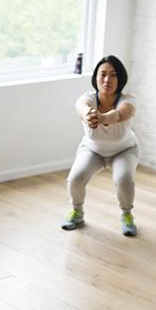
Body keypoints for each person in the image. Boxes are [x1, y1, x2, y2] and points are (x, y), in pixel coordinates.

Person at [60, 55, 140, 236]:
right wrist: (89, 114)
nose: (107, 80)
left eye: (113, 75)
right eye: (103, 74)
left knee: (123, 180)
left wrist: (103, 118)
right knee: (75, 179)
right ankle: (77, 211)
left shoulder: (129, 100)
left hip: (124, 150)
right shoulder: (86, 98)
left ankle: (127, 215)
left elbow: (120, 115)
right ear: (95, 78)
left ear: (120, 79)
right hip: (92, 149)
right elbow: (82, 108)